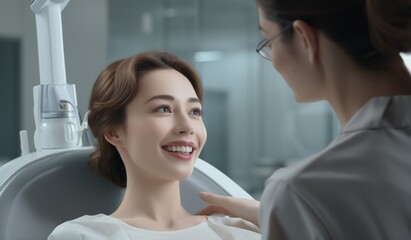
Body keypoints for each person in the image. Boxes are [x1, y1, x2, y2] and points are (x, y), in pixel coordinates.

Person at [198, 0, 411, 239]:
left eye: (269, 41)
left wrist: (296, 208)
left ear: (303, 38)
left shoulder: (301, 190)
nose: (273, 61)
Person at [48, 51, 261, 240]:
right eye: (163, 109)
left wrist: (271, 219)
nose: (187, 126)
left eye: (194, 111)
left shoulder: (243, 232)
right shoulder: (83, 235)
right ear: (113, 132)